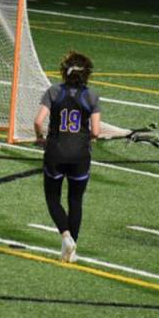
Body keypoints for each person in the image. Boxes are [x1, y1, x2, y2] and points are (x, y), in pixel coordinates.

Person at [32, 51, 101, 263]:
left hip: (55, 152)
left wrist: (40, 138)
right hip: (80, 155)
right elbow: (96, 131)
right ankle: (73, 249)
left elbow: (38, 121)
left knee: (53, 198)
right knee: (75, 201)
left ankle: (66, 236)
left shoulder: (54, 91)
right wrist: (88, 137)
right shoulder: (92, 96)